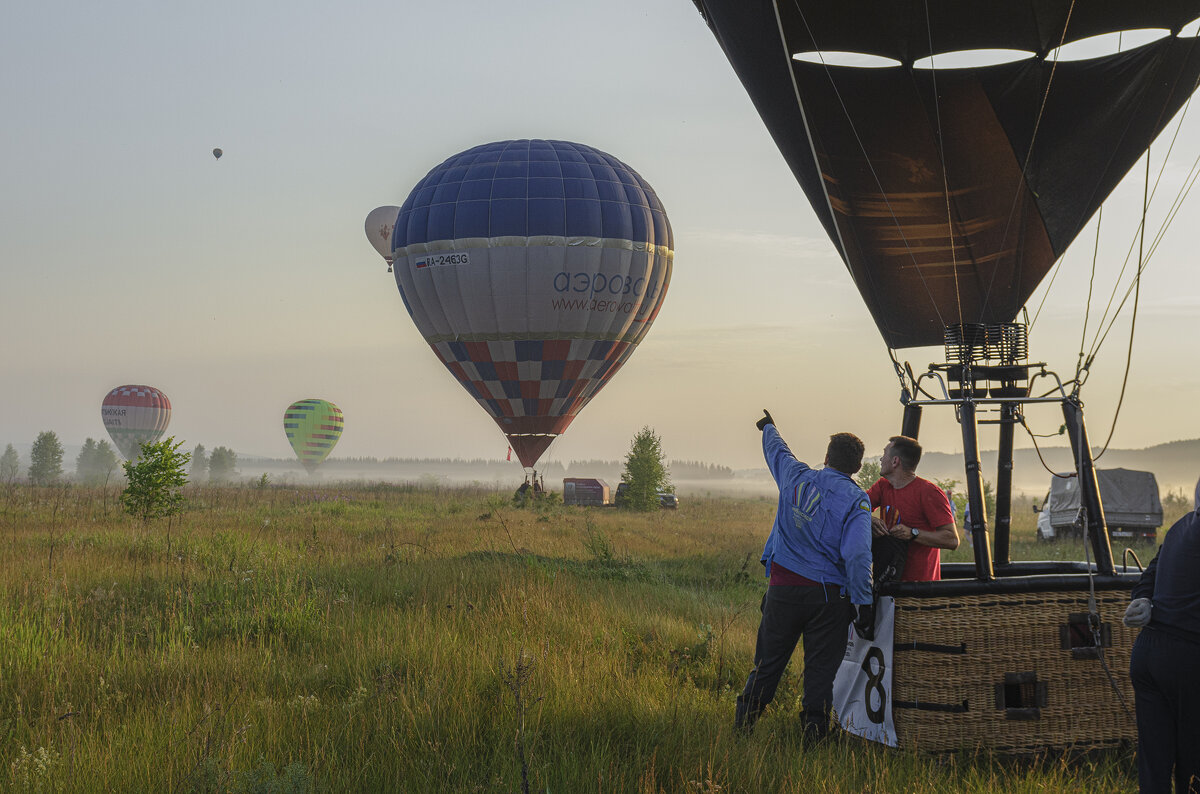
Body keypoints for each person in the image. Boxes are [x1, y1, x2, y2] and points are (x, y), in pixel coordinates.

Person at [735, 410, 874, 740]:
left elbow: (777, 450)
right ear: (857, 467)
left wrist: (769, 426)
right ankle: (813, 736)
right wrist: (863, 603)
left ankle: (742, 731)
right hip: (828, 599)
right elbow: (857, 555)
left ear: (826, 457)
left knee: (768, 663)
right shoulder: (857, 500)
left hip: (782, 591)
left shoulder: (793, 476)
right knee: (820, 671)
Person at [1123, 477, 1200, 793]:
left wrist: (1141, 599)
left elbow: (1148, 576)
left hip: (1148, 654)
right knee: (1193, 763)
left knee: (1154, 765)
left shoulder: (1181, 527)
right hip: (1187, 655)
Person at [866, 436, 958, 581]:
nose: (880, 459)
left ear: (895, 461)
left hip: (919, 588)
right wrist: (868, 520)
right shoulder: (882, 486)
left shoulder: (929, 492)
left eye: (884, 454)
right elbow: (856, 509)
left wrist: (913, 533)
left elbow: (952, 540)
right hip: (888, 581)